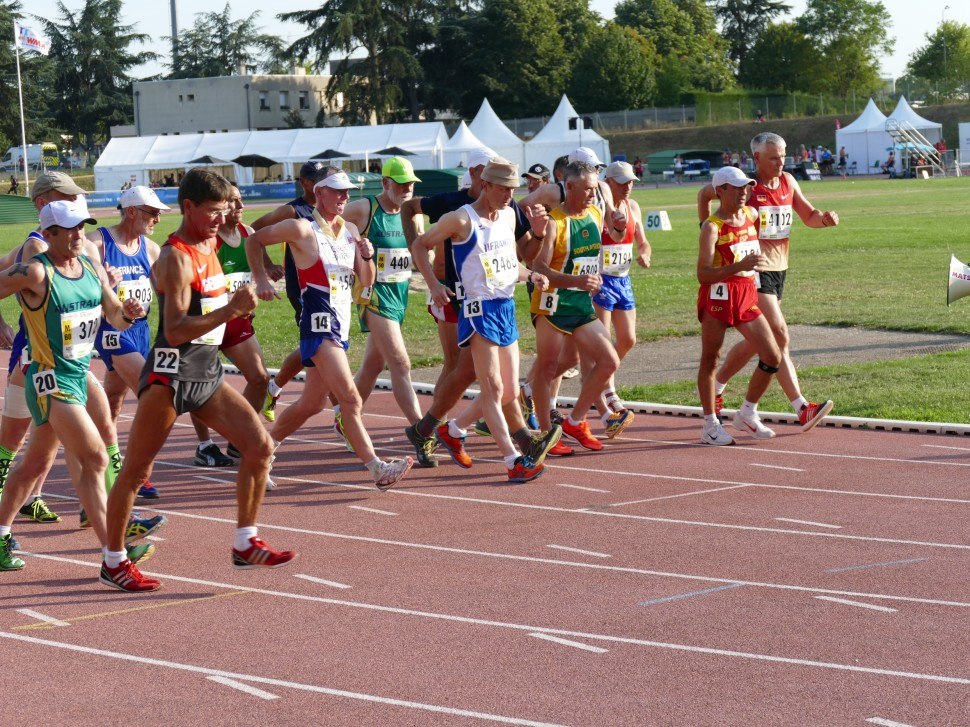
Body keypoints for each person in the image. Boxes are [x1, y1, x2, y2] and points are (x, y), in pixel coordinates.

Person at [103, 169, 295, 593]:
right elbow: (173, 330)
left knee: (260, 447)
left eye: (223, 210)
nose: (219, 218)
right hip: (170, 375)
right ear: (188, 207)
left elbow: (214, 307)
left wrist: (234, 312)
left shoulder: (212, 243)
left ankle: (245, 543)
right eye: (211, 211)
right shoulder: (175, 257)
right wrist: (228, 312)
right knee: (136, 472)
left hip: (205, 371)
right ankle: (114, 561)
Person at [0, 200, 157, 574]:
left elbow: (115, 318)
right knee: (95, 457)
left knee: (35, 462)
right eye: (69, 229)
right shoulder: (35, 273)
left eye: (81, 227)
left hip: (79, 373)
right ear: (48, 234)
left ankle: (1, 532)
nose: (77, 235)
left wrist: (128, 312)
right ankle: (115, 556)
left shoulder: (89, 266)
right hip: (48, 379)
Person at [246, 170, 414, 489]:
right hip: (318, 320)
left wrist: (366, 257)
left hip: (342, 320)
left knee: (311, 404)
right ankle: (377, 468)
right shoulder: (301, 228)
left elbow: (366, 280)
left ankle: (261, 451)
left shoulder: (350, 230)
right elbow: (254, 237)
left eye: (347, 192)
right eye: (337, 191)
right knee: (349, 399)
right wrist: (263, 277)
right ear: (319, 192)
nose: (344, 197)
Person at [402, 150, 561, 469]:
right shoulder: (460, 217)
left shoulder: (507, 215)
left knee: (508, 387)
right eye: (504, 189)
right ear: (486, 184)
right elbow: (421, 245)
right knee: (491, 386)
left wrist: (532, 274)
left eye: (514, 190)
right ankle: (512, 457)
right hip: (476, 309)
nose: (510, 196)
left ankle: (437, 430)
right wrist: (433, 283)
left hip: (504, 307)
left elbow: (510, 263)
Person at [697, 132, 837, 432]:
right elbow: (705, 196)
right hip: (753, 273)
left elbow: (808, 214)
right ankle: (801, 406)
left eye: (783, 156)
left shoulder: (788, 181)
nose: (780, 162)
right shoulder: (743, 188)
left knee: (754, 343)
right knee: (779, 335)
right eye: (773, 157)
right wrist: (705, 227)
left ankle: (718, 387)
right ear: (756, 158)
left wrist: (823, 220)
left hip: (779, 269)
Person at [529, 161, 625, 452]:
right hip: (552, 304)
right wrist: (577, 280)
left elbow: (615, 239)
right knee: (546, 369)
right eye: (586, 189)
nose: (591, 194)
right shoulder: (556, 223)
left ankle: (575, 421)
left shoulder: (596, 212)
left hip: (581, 304)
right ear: (568, 187)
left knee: (608, 360)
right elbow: (539, 267)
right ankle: (547, 434)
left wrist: (619, 228)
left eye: (595, 189)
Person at [336, 157, 425, 457]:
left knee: (373, 365)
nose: (407, 188)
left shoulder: (413, 213)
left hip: (400, 296)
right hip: (372, 295)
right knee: (400, 363)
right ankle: (421, 431)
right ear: (385, 182)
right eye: (401, 183)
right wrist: (354, 250)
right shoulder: (364, 209)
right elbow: (328, 226)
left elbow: (421, 250)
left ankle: (345, 418)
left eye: (411, 183)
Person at [188, 183, 275, 484]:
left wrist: (267, 273)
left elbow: (259, 261)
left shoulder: (249, 234)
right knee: (200, 385)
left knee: (260, 377)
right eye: (233, 202)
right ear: (220, 206)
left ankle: (239, 438)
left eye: (241, 201)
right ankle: (204, 445)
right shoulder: (210, 240)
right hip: (209, 319)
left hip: (238, 320)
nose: (240, 206)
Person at [88, 186, 166, 499]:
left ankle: (95, 457)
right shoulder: (99, 243)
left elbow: (165, 296)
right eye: (152, 212)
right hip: (111, 331)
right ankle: (137, 472)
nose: (157, 219)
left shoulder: (151, 249)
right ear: (131, 211)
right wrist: (103, 281)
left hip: (141, 330)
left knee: (113, 399)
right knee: (151, 396)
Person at [696, 167, 782, 445]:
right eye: (736, 187)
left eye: (746, 187)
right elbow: (703, 274)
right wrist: (739, 266)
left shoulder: (751, 215)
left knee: (772, 356)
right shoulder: (712, 227)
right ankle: (710, 425)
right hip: (718, 297)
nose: (743, 192)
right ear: (720, 190)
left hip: (745, 294)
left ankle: (747, 413)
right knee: (711, 359)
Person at [254, 161, 332, 422]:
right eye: (315, 179)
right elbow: (252, 230)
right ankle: (343, 412)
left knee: (317, 346)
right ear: (305, 183)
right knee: (322, 344)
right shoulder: (292, 210)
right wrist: (268, 266)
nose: (320, 182)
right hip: (303, 289)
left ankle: (273, 389)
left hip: (330, 289)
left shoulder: (331, 209)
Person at [592, 161, 652, 438]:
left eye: (631, 182)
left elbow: (643, 241)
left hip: (623, 280)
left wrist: (644, 252)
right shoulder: (600, 209)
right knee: (602, 342)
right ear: (609, 182)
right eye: (623, 181)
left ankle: (602, 383)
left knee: (628, 339)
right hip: (601, 280)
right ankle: (607, 392)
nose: (628, 186)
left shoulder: (634, 207)